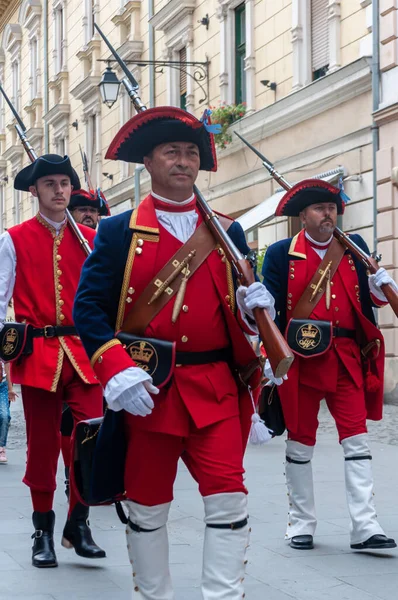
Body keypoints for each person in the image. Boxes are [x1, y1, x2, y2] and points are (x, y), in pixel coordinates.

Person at [73, 106, 275, 599]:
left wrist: (255, 311)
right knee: (146, 506)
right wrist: (115, 370)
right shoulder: (119, 232)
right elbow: (89, 308)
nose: (183, 161)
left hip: (216, 390)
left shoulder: (227, 232)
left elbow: (232, 308)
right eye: (172, 152)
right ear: (149, 161)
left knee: (229, 499)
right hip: (149, 392)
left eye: (190, 153)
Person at [262, 179, 397, 551]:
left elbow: (369, 303)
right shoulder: (279, 253)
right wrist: (271, 358)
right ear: (303, 216)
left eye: (332, 208)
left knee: (356, 442)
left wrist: (378, 285)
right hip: (302, 361)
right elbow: (268, 311)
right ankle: (300, 524)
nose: (329, 214)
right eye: (320, 208)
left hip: (346, 358)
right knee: (301, 444)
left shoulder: (354, 248)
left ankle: (366, 527)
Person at [0, 154, 105, 567]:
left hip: (86, 352)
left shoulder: (93, 240)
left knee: (90, 441)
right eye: (51, 184)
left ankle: (78, 523)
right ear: (34, 191)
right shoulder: (14, 238)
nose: (60, 190)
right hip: (39, 352)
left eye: (65, 183)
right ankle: (42, 529)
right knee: (42, 449)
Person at [60, 188, 110, 497]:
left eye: (94, 210)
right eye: (82, 210)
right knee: (69, 423)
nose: (89, 214)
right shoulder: (64, 245)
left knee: (105, 417)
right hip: (67, 348)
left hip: (103, 346)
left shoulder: (103, 246)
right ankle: (72, 474)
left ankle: (95, 473)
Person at [0, 359, 17, 464]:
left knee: (5, 416)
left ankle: (1, 447)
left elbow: (8, 366)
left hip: (3, 385)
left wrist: (10, 389)